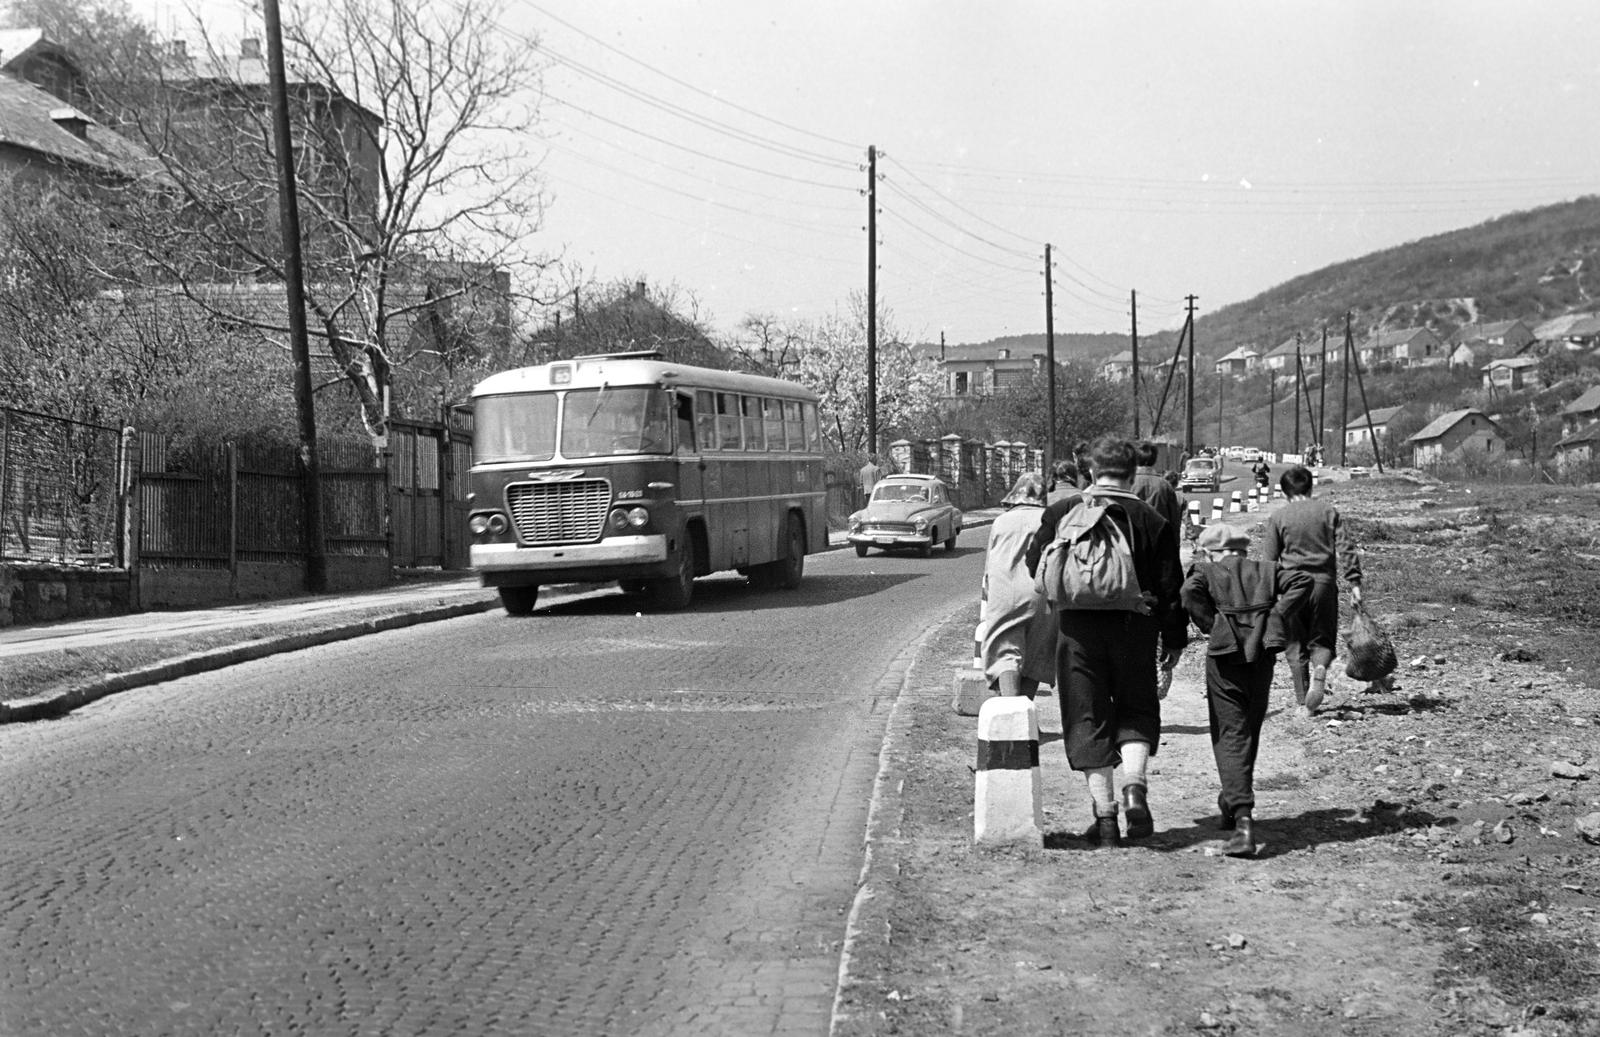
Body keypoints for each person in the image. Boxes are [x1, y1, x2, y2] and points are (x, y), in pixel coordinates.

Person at [1026, 435, 1188, 848]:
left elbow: (1035, 564)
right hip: (1137, 627)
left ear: (1091, 472)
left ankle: (1106, 820)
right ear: (1133, 475)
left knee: (1085, 716)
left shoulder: (1064, 510)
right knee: (1135, 708)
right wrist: (1173, 640)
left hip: (1077, 631)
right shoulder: (1151, 519)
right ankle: (1135, 786)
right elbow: (1172, 588)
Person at [1181, 524, 1312, 857]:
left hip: (1225, 660)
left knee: (1230, 733)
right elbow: (1303, 581)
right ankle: (1231, 800)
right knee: (1249, 730)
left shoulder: (1206, 569)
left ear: (1210, 551)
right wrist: (1277, 614)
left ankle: (1242, 821)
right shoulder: (1266, 569)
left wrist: (1214, 625)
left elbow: (1187, 594)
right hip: (1262, 659)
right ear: (1242, 549)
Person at [1262, 464, 1363, 716]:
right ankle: (1320, 669)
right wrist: (1355, 583)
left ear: (1285, 491)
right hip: (1323, 585)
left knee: (1295, 644)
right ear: (1310, 487)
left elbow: (1269, 560)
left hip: (1291, 588)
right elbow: (1346, 548)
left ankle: (1302, 704)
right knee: (1322, 638)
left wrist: (1267, 595)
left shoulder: (1279, 517)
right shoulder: (1328, 512)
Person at [980, 472, 1055, 700]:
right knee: (1037, 651)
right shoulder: (1050, 519)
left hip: (1004, 592)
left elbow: (989, 566)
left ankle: (1011, 710)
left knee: (1005, 650)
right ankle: (1026, 713)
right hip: (1041, 592)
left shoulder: (1001, 521)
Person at [1132, 440, 1182, 532]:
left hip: (1132, 541)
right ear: (1154, 459)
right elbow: (1174, 520)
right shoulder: (1165, 485)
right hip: (1160, 539)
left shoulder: (1127, 483)